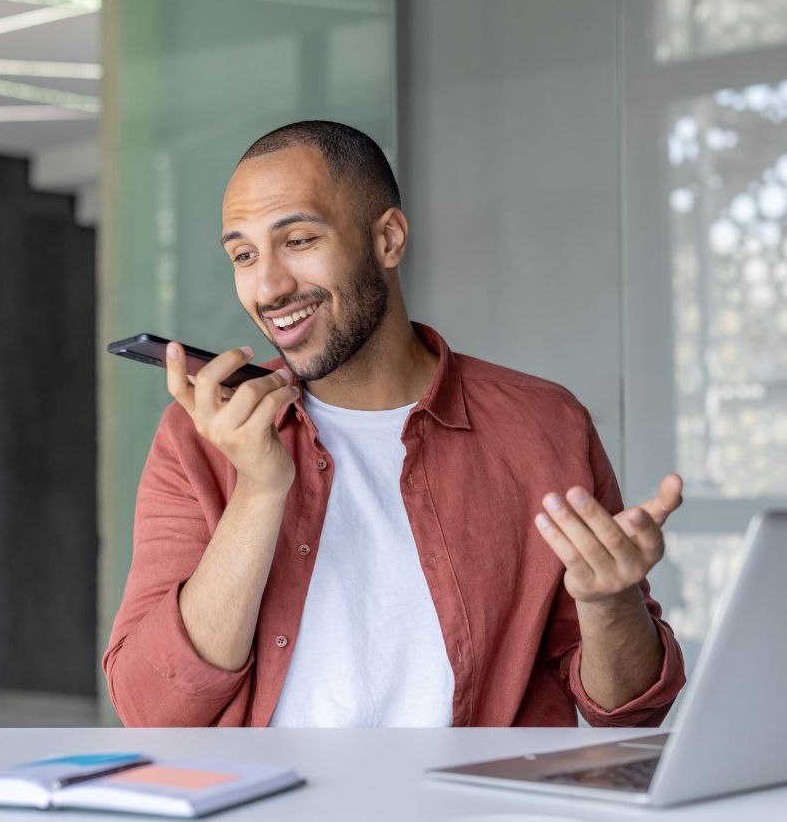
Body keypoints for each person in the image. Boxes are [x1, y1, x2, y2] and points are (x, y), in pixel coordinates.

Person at [103, 120, 686, 727]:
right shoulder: (200, 434)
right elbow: (154, 709)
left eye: (298, 239)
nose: (269, 286)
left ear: (388, 239)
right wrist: (259, 487)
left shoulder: (545, 426)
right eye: (244, 255)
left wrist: (609, 602)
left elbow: (630, 712)